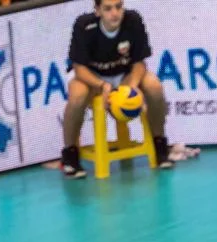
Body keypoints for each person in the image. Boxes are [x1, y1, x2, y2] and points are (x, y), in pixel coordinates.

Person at [60, 0, 172, 178]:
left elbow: (139, 63)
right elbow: (79, 68)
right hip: (91, 76)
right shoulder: (84, 25)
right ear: (97, 11)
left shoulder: (133, 20)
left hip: (123, 74)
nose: (115, 13)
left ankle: (159, 144)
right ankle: (70, 154)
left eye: (119, 7)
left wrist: (132, 86)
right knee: (77, 96)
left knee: (154, 86)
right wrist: (102, 85)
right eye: (108, 9)